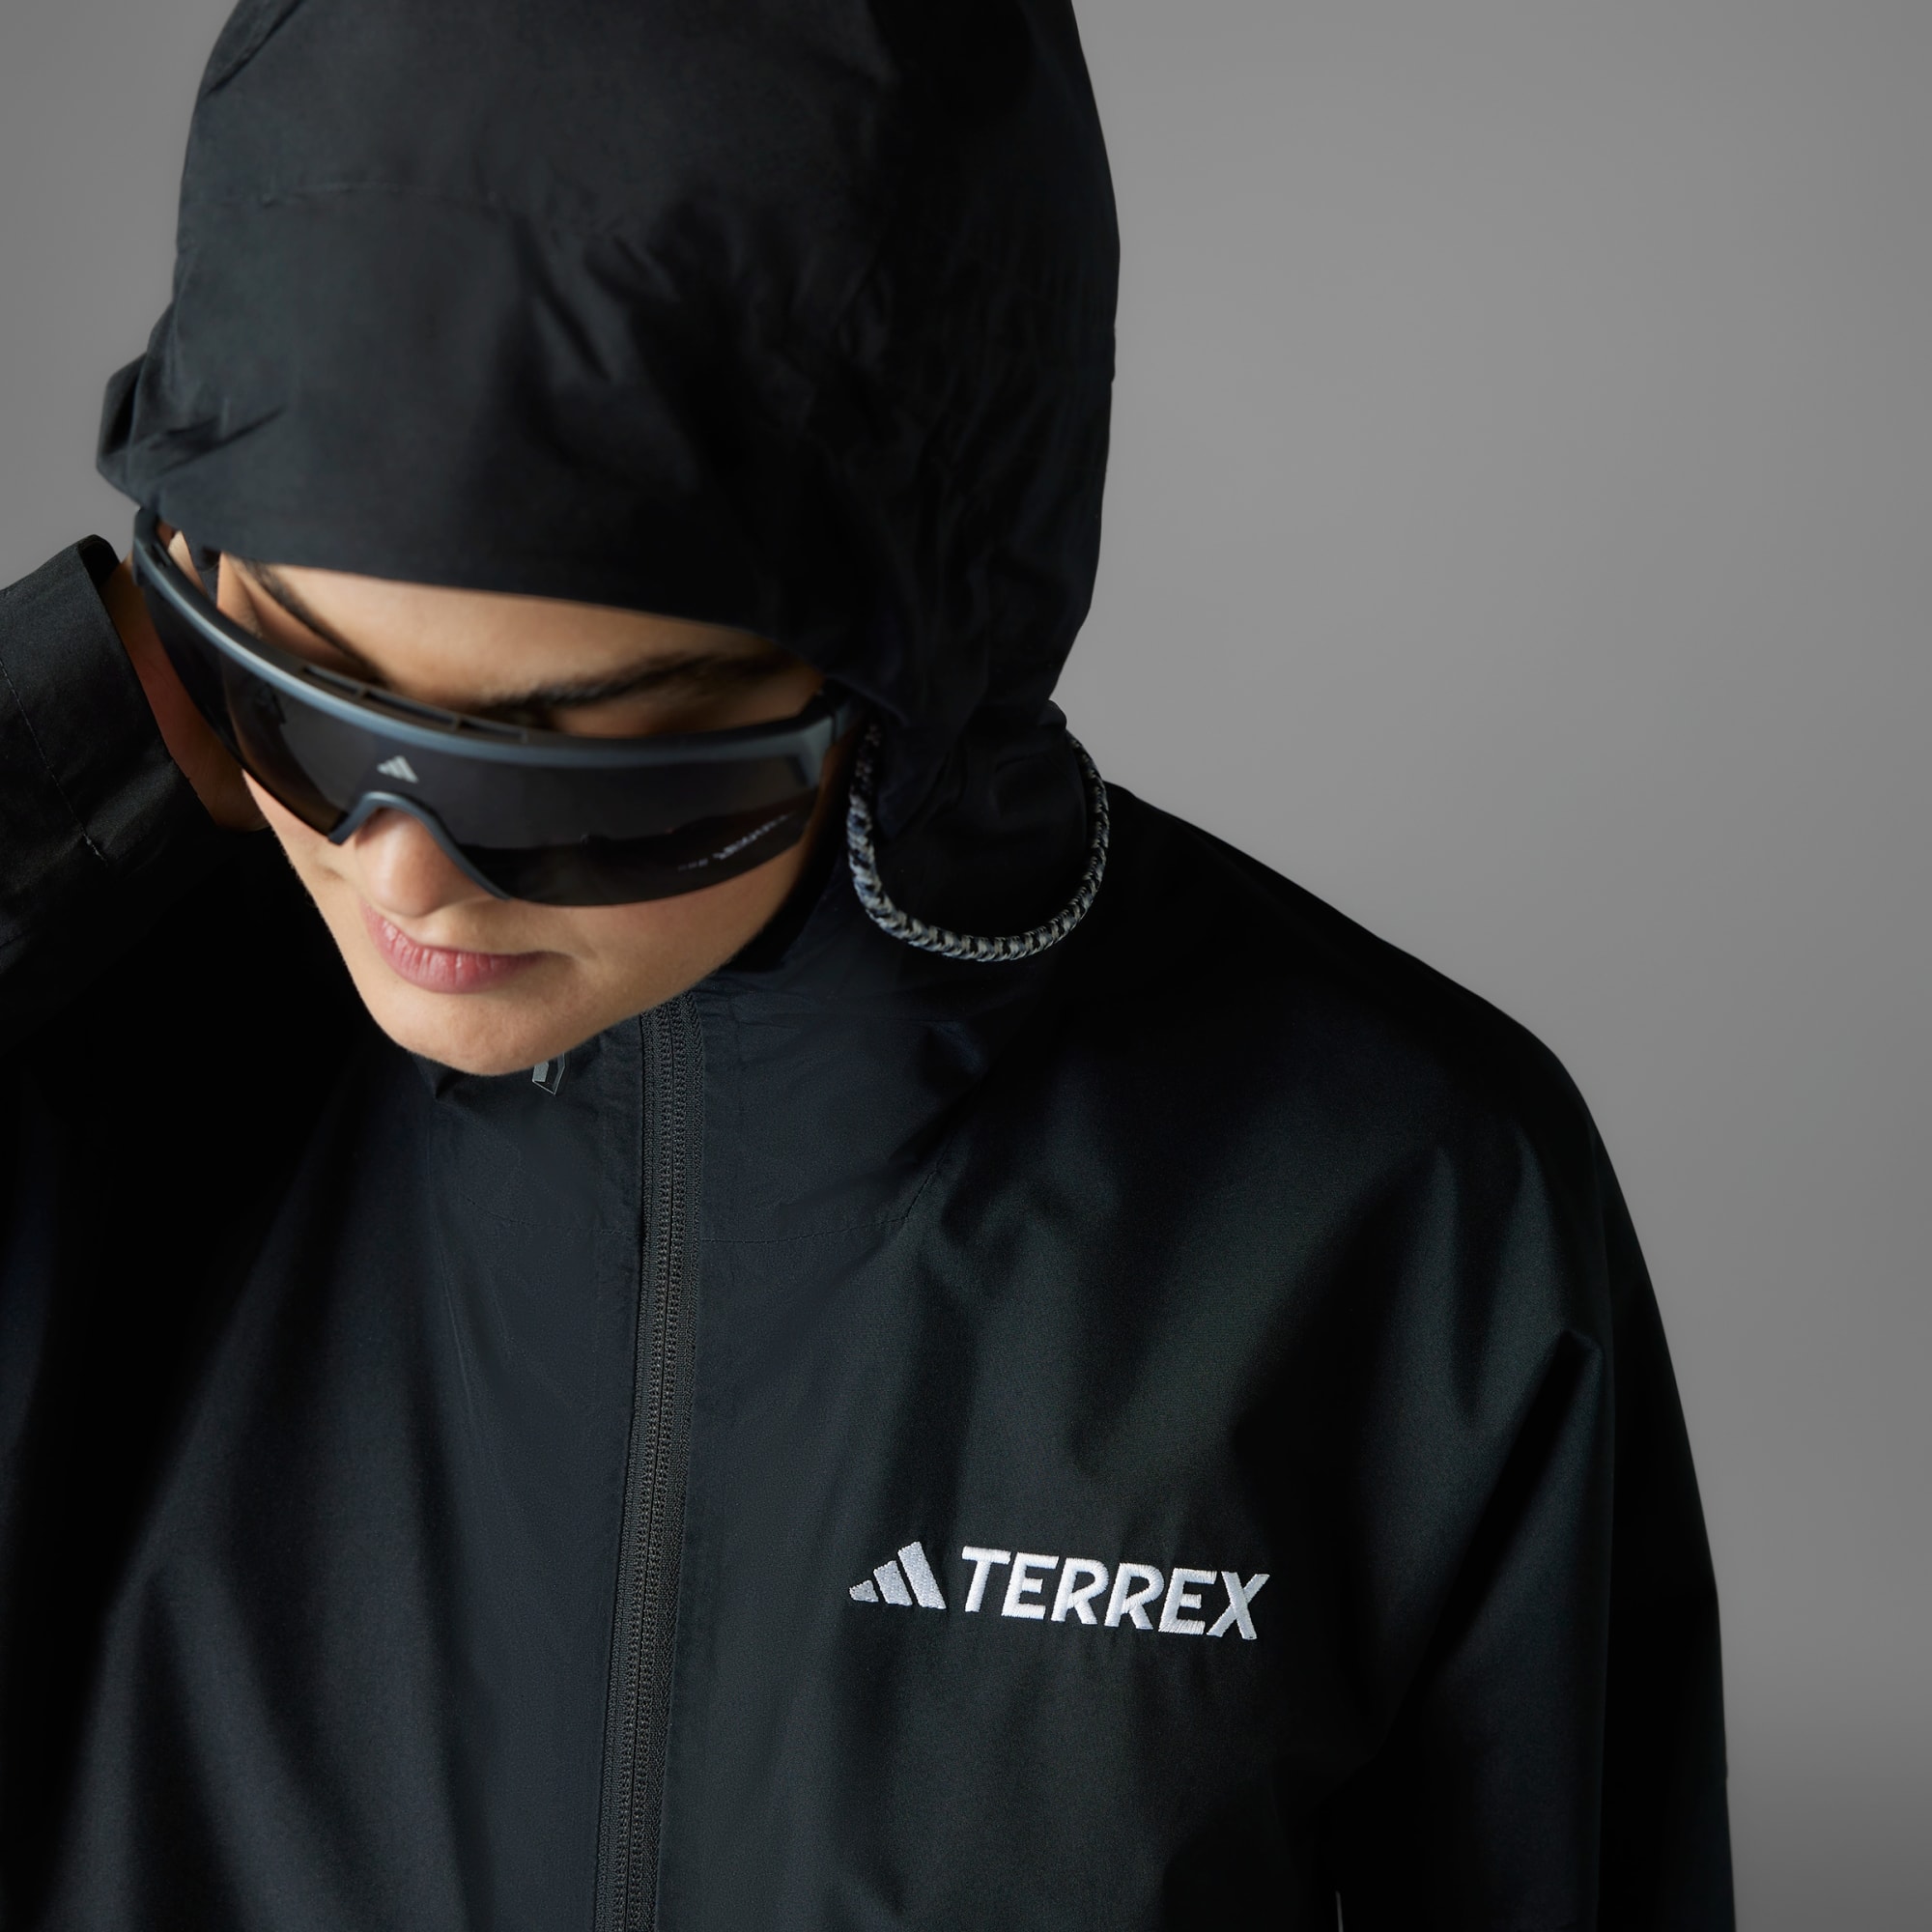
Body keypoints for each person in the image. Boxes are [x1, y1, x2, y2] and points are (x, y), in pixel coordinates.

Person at [0, 1, 1732, 1925]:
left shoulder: (1398, 1208)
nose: (401, 868)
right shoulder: (74, 1053)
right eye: (297, 690)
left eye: (583, 765)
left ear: (913, 681)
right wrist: (64, 747)